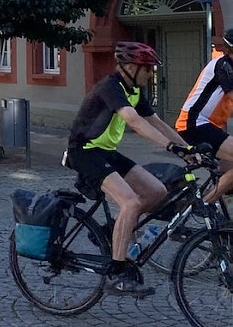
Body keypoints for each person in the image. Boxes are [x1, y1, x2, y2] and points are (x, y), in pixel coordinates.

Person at [66, 41, 199, 296]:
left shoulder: (134, 90)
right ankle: (117, 272)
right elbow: (134, 121)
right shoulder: (111, 87)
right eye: (147, 68)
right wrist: (171, 148)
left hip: (105, 151)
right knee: (131, 203)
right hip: (83, 151)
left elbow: (156, 122)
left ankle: (115, 229)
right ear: (129, 66)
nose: (150, 74)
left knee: (157, 191)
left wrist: (188, 150)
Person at [176, 28, 233, 202]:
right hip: (193, 123)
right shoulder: (223, 65)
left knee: (227, 174)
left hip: (208, 126)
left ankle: (211, 208)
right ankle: (204, 204)